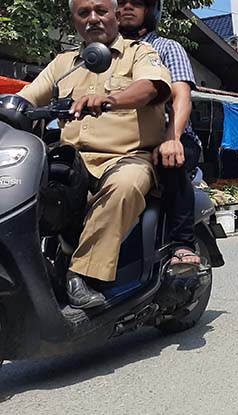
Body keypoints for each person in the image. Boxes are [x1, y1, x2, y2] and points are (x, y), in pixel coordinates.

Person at [17, 0, 172, 308]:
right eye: (83, 13)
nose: (93, 19)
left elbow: (149, 88)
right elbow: (25, 99)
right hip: (71, 162)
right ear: (74, 20)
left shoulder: (139, 53)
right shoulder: (63, 64)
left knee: (125, 186)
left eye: (101, 11)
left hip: (126, 158)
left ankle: (82, 275)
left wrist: (111, 99)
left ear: (115, 15)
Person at [118, 0, 202, 273]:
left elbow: (181, 97)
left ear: (151, 10)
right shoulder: (104, 53)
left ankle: (182, 243)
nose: (126, 7)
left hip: (168, 136)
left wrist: (172, 137)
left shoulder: (166, 47)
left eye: (136, 3)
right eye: (120, 2)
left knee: (169, 161)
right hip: (121, 140)